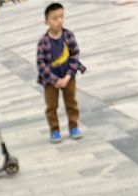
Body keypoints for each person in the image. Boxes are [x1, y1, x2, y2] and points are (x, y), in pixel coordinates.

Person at [37, 2, 85, 144]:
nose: (59, 21)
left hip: (68, 77)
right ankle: (54, 130)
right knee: (51, 106)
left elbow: (75, 55)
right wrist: (55, 80)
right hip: (50, 81)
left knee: (71, 103)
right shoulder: (43, 41)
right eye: (54, 18)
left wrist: (68, 75)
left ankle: (74, 127)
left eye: (61, 17)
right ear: (46, 21)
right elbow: (41, 64)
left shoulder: (68, 35)